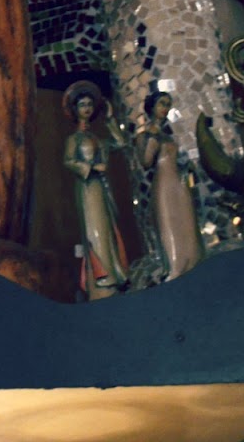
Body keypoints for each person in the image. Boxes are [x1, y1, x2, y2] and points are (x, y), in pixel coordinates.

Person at [61, 81, 127, 294]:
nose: (87, 108)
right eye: (82, 105)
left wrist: (110, 120)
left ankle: (115, 273)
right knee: (95, 229)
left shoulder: (96, 138)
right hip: (87, 187)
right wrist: (90, 167)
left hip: (102, 188)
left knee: (107, 229)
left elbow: (120, 143)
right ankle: (101, 277)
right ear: (75, 109)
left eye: (90, 104)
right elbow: (68, 161)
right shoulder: (74, 138)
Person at [135, 88, 203, 281]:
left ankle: (192, 260)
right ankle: (175, 265)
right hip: (164, 183)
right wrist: (152, 138)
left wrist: (186, 167)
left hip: (178, 182)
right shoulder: (145, 134)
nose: (165, 109)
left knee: (185, 220)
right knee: (169, 222)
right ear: (152, 107)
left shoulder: (167, 135)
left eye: (168, 105)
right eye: (161, 104)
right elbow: (146, 161)